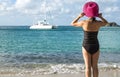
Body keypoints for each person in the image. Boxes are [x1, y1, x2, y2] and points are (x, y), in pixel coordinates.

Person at [71, 1, 108, 77]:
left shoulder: (84, 22)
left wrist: (79, 16)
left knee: (87, 67)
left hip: (86, 46)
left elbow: (72, 23)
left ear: (87, 12)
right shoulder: (98, 23)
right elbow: (106, 23)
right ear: (96, 13)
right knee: (95, 67)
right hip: (96, 46)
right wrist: (100, 16)